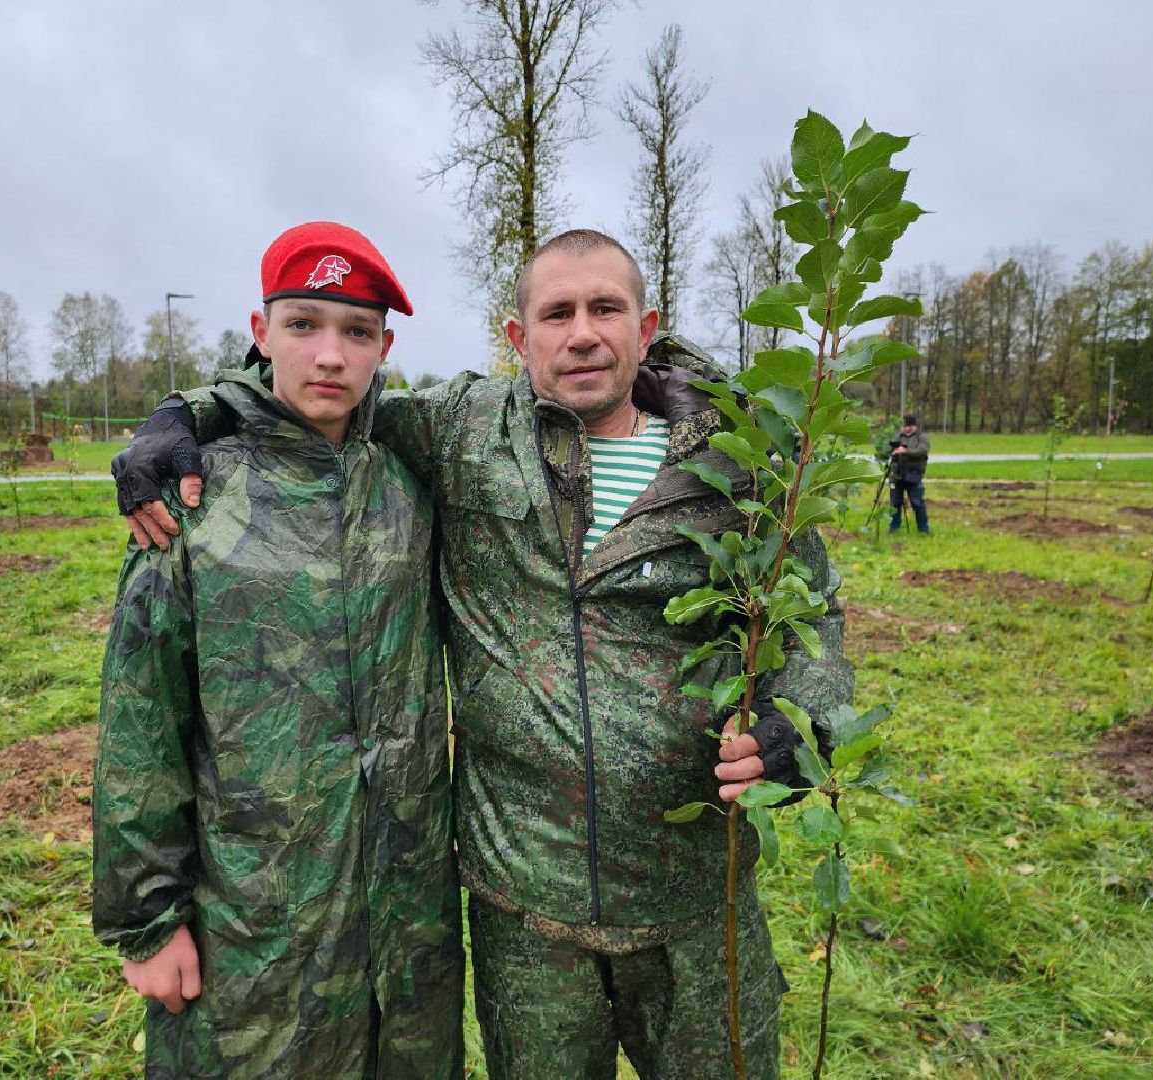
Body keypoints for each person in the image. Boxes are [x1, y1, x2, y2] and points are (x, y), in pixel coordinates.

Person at [113, 229, 853, 1079]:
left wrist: (806, 721)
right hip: (524, 910)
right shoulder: (464, 431)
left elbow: (811, 608)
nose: (583, 334)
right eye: (557, 313)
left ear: (647, 328)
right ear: (518, 337)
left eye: (606, 309)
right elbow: (313, 392)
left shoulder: (738, 462)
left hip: (695, 897)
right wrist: (183, 414)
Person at [93, 221, 463, 1079]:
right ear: (260, 333)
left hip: (407, 927)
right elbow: (141, 719)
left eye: (357, 331)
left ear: (385, 349)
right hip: (256, 922)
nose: (330, 355)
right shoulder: (194, 496)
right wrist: (148, 920)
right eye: (303, 325)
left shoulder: (408, 483)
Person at [889, 413, 930, 534]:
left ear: (915, 426)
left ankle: (923, 529)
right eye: (905, 426)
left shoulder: (921, 437)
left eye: (910, 426)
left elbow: (922, 450)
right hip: (897, 475)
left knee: (917, 503)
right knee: (895, 503)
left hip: (914, 475)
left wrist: (905, 451)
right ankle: (894, 528)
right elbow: (889, 449)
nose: (907, 428)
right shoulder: (898, 436)